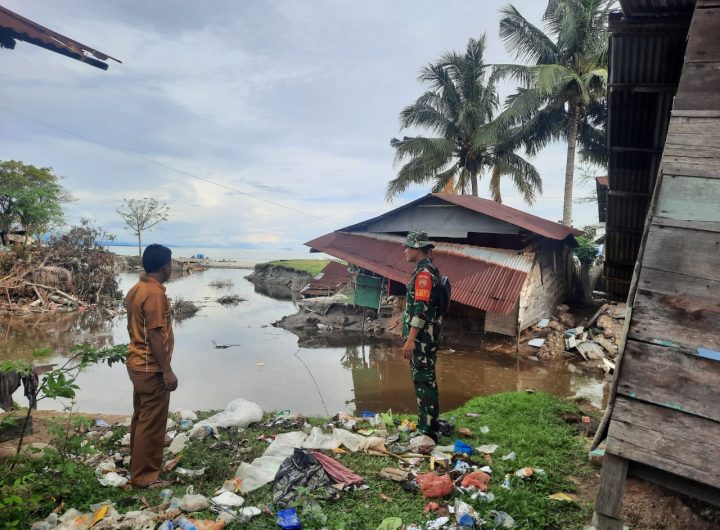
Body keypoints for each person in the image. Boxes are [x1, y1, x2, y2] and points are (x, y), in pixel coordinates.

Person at [124, 244, 177, 488]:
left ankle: (137, 468)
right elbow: (155, 335)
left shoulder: (137, 288)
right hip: (151, 367)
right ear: (165, 267)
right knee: (152, 424)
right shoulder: (154, 293)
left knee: (142, 418)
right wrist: (167, 371)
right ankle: (144, 477)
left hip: (137, 363)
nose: (171, 268)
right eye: (171, 264)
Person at [402, 230, 441, 441]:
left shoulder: (424, 274)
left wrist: (410, 340)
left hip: (421, 339)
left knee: (423, 381)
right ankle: (431, 422)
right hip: (426, 337)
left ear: (417, 248)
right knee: (428, 379)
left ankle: (427, 430)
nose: (405, 251)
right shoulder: (428, 270)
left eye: (407, 247)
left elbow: (421, 311)